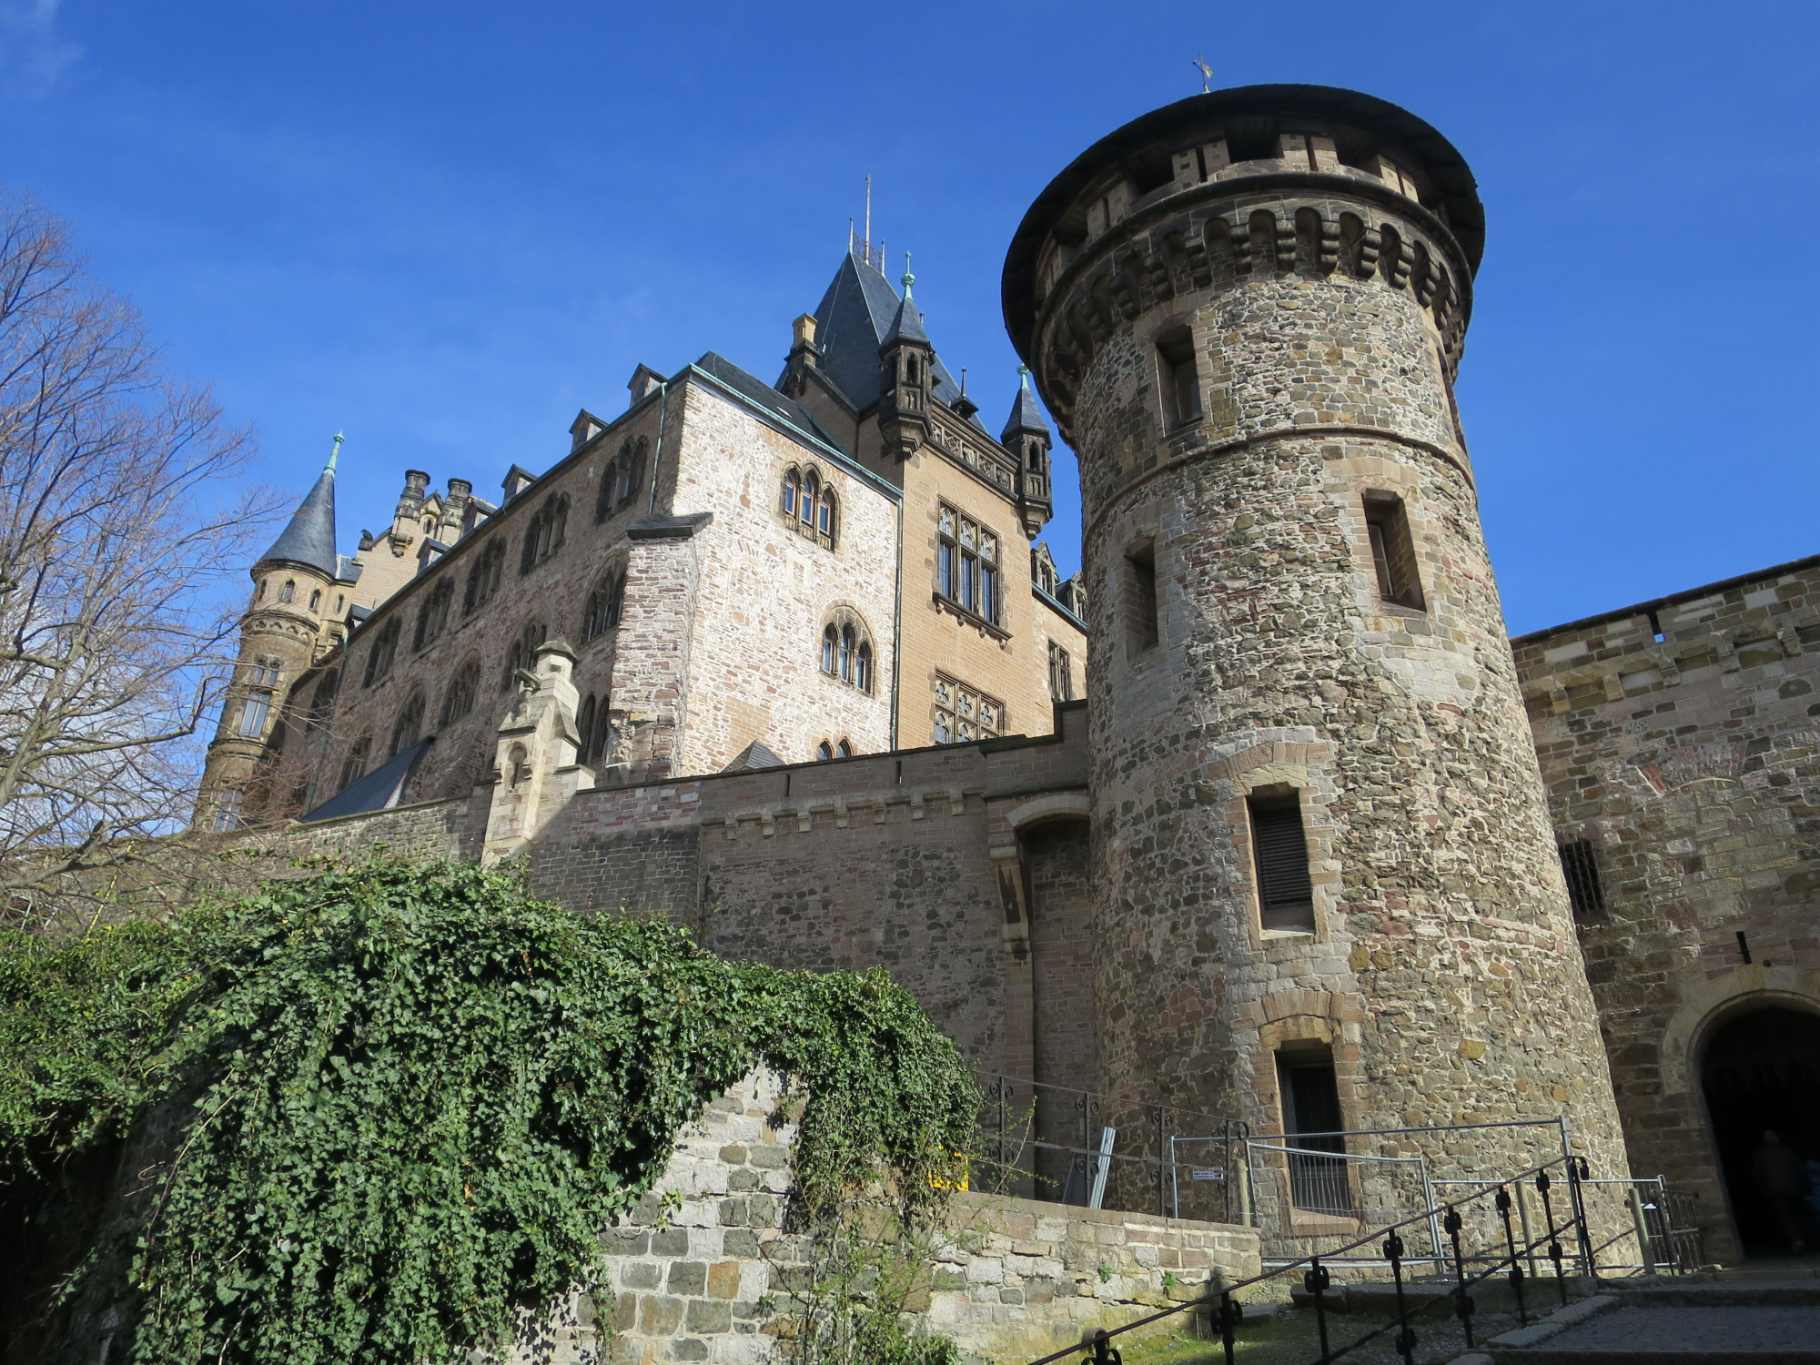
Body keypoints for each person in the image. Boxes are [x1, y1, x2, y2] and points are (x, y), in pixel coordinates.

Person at [1752, 1130, 1812, 1255]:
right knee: (1799, 1215)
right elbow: (1801, 1171)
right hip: (1795, 1189)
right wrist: (1807, 1190)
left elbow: (1758, 1175)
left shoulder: (1761, 1154)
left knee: (1786, 1217)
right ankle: (1806, 1241)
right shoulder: (1788, 1152)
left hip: (1775, 1191)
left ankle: (1796, 1240)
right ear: (1777, 1139)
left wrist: (1764, 1191)